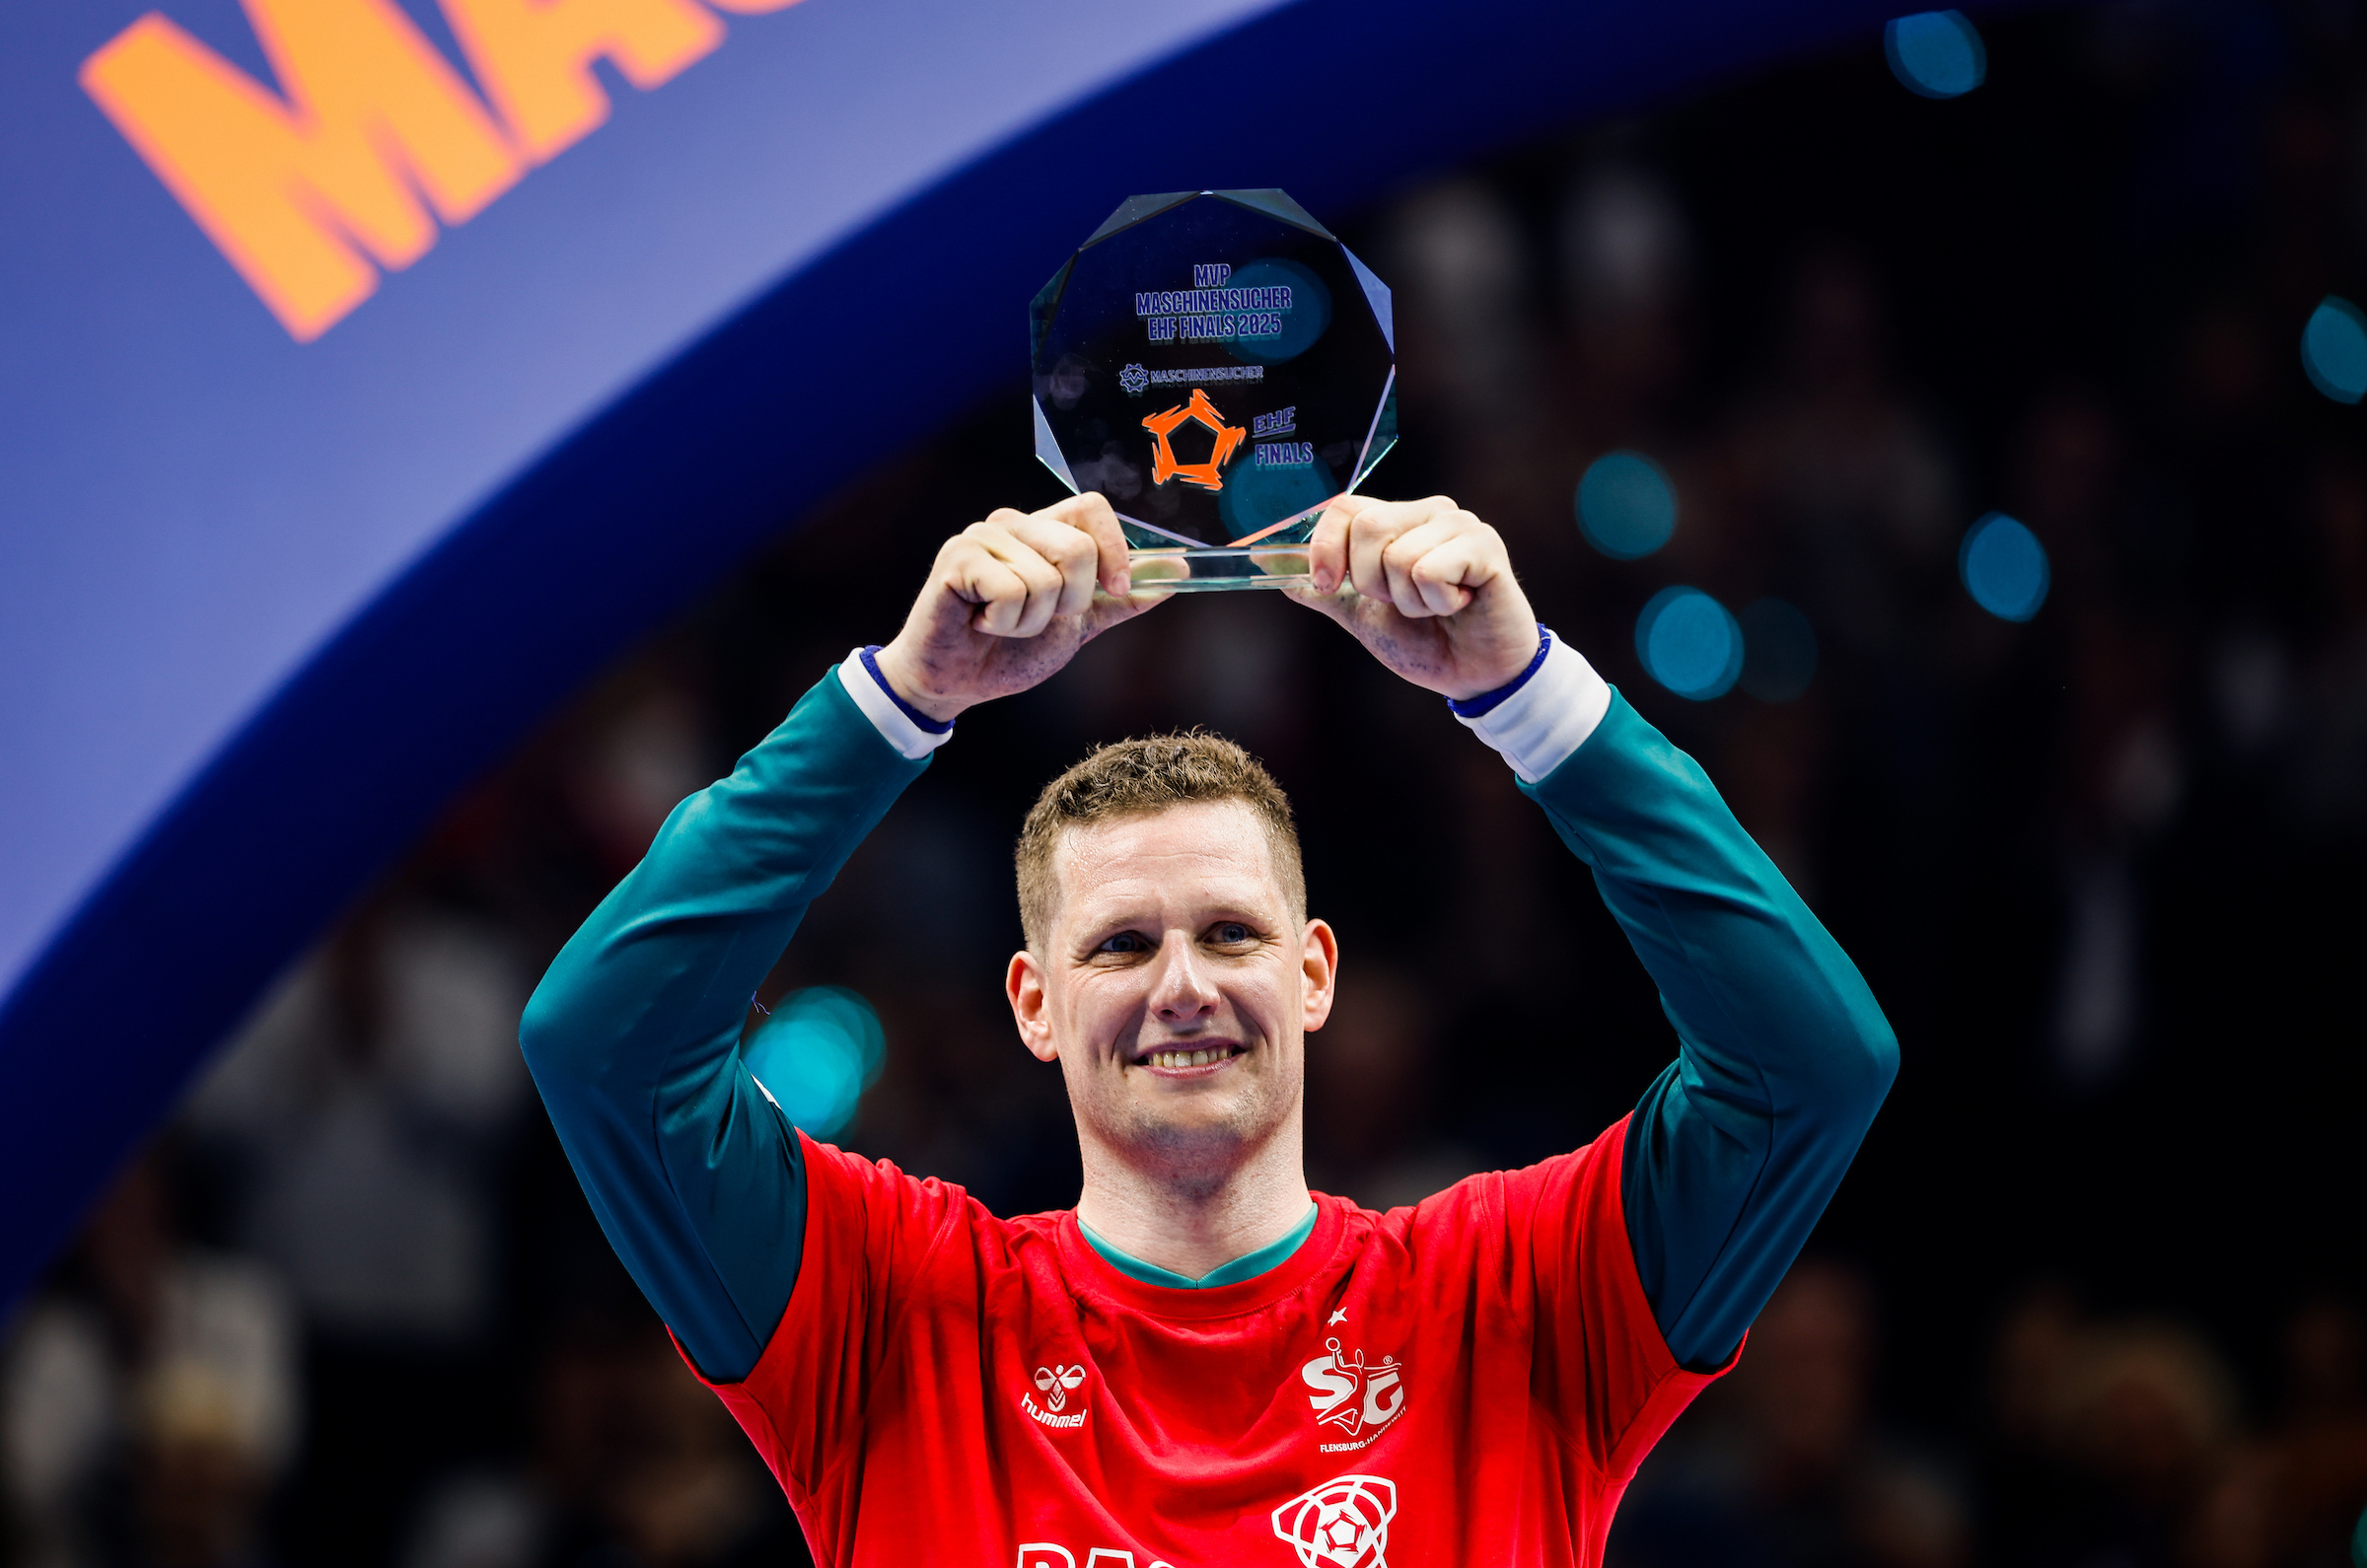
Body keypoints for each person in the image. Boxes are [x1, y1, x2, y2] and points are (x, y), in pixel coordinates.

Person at [520, 491, 1898, 1567]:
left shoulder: (1517, 1305)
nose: (1183, 985)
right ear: (1033, 1005)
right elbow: (602, 1048)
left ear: (1314, 974)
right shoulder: (890, 1316)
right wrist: (900, 700)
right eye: (1121, 945)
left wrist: (1530, 696)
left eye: (1231, 933)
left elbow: (1813, 1068)